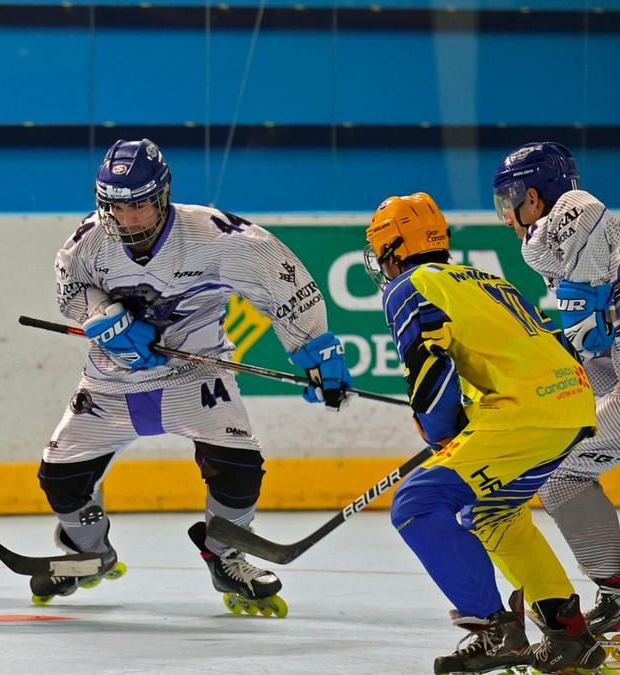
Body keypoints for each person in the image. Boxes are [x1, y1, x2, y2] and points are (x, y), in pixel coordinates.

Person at [32, 138, 353, 614]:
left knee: (241, 471)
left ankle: (225, 553)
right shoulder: (89, 241)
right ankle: (88, 550)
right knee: (59, 478)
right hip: (109, 385)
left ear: (162, 195)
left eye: (140, 204)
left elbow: (285, 285)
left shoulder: (217, 237)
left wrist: (313, 349)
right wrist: (105, 317)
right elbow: (70, 288)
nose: (130, 219)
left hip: (194, 377)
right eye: (117, 207)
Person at [364, 191, 603, 673]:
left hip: (525, 412)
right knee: (494, 515)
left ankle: (497, 632)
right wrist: (468, 417)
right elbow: (527, 346)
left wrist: (440, 431)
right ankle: (569, 637)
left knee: (418, 504)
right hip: (571, 402)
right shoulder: (481, 277)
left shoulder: (408, 285)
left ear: (393, 248)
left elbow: (429, 364)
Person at [494, 141, 620, 639]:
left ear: (533, 197)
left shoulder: (570, 225)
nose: (507, 216)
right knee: (557, 469)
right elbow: (593, 356)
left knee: (551, 461)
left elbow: (587, 338)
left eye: (509, 201)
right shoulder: (569, 242)